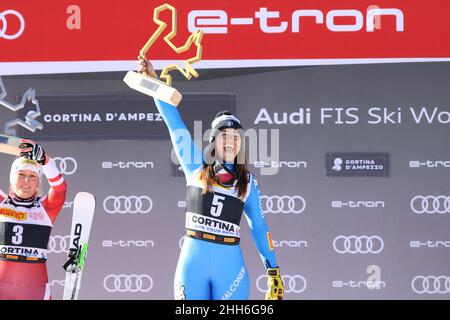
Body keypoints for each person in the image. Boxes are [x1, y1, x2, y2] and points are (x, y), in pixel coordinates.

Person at [138, 60, 285, 300]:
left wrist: (273, 272)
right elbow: (173, 121)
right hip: (191, 266)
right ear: (214, 141)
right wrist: (152, 80)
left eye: (235, 137)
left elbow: (259, 227)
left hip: (230, 271)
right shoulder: (195, 167)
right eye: (224, 135)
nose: (230, 141)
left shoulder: (247, 184)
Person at [0, 140, 66, 299]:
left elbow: (60, 188)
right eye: (21, 174)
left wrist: (46, 161)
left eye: (32, 176)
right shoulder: (2, 202)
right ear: (12, 178)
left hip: (36, 291)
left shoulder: (45, 208)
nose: (26, 181)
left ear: (38, 183)